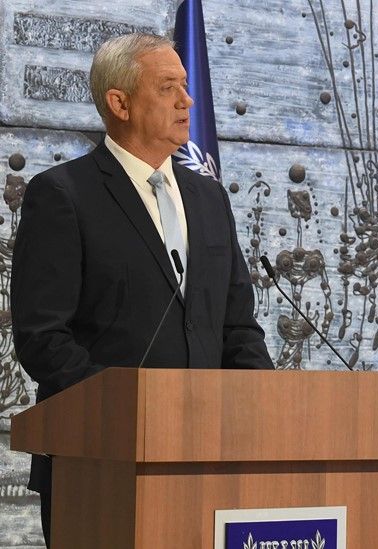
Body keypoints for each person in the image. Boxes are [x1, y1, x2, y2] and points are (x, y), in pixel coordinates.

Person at [10, 33, 273, 548]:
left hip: (214, 460)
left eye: (186, 85)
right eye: (168, 86)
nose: (187, 100)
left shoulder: (209, 197)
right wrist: (134, 414)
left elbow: (237, 325)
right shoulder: (63, 195)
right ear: (120, 102)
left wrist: (261, 410)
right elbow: (43, 338)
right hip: (101, 465)